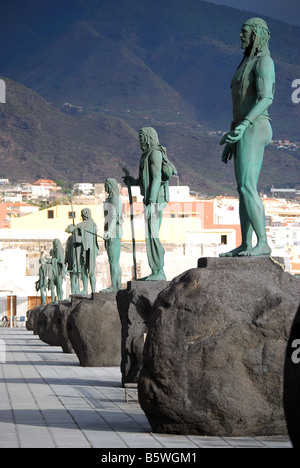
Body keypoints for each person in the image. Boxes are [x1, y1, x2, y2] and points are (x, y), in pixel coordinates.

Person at [219, 18, 275, 257]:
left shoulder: (264, 62)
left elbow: (266, 98)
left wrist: (244, 125)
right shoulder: (245, 62)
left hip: (256, 126)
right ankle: (246, 243)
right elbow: (239, 103)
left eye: (244, 32)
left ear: (256, 35)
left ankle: (263, 242)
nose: (240, 36)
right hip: (243, 127)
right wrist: (234, 132)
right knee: (242, 189)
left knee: (247, 185)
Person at [123, 127, 176, 280]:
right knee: (150, 235)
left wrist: (151, 201)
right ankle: (155, 270)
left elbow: (157, 178)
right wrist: (133, 181)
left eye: (141, 138)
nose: (140, 141)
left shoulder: (155, 153)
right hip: (150, 200)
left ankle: (159, 272)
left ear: (147, 138)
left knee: (153, 235)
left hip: (156, 200)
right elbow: (146, 179)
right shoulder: (147, 155)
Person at [101, 178, 123, 292]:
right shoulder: (113, 198)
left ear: (110, 185)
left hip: (113, 232)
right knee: (114, 261)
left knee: (113, 261)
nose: (105, 188)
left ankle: (115, 286)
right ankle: (117, 285)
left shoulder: (114, 198)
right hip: (114, 231)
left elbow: (114, 216)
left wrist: (109, 231)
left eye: (106, 185)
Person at [74, 208, 99, 294]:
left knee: (87, 270)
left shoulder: (86, 224)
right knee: (88, 270)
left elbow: (74, 228)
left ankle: (88, 290)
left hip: (88, 249)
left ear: (85, 214)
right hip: (88, 249)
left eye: (82, 214)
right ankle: (90, 290)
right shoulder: (93, 224)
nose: (81, 216)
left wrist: (72, 227)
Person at [65, 224, 81, 295]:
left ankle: (76, 293)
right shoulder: (70, 238)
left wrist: (75, 261)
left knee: (76, 278)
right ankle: (73, 294)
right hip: (71, 262)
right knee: (72, 279)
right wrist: (65, 261)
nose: (68, 228)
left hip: (76, 262)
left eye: (69, 227)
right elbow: (67, 250)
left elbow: (77, 251)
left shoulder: (77, 237)